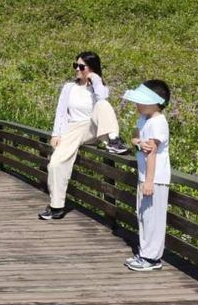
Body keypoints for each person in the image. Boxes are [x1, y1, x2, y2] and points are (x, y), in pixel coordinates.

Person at [39, 52, 129, 220]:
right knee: (55, 164)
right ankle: (56, 205)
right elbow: (61, 112)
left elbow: (102, 98)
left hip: (92, 127)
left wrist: (94, 78)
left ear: (91, 69)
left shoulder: (98, 86)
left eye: (81, 67)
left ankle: (114, 140)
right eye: (76, 66)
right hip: (73, 129)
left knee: (102, 104)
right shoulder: (69, 87)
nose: (77, 70)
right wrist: (56, 133)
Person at [122, 80, 172, 272]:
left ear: (154, 102)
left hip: (155, 178)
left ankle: (152, 258)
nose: (136, 105)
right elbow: (136, 135)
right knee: (143, 215)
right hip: (145, 177)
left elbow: (152, 153)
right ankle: (144, 253)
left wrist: (149, 181)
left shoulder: (158, 122)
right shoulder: (145, 119)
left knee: (153, 218)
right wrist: (137, 142)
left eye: (140, 101)